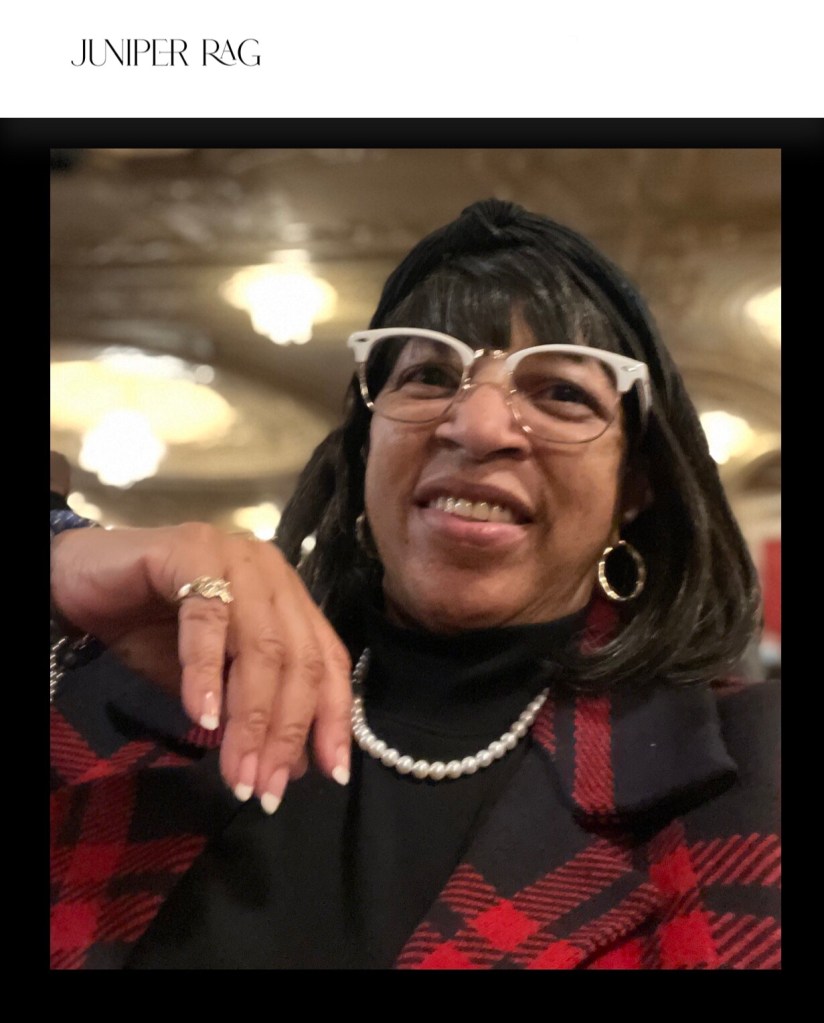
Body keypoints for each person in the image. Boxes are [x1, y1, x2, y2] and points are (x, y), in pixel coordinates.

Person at [50, 199, 780, 970]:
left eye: (562, 392)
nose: (477, 426)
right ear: (368, 449)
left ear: (635, 487)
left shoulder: (752, 774)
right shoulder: (171, 686)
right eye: (430, 375)